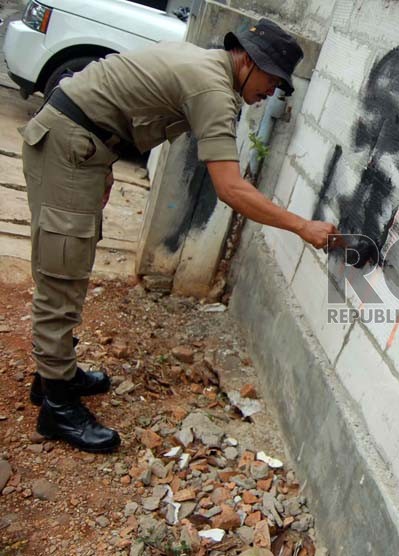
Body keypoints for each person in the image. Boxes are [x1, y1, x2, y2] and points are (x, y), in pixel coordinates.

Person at [19, 18, 339, 453]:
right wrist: (302, 226)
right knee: (62, 272)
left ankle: (53, 374)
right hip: (69, 145)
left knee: (73, 261)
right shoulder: (211, 88)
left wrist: (101, 158)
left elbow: (107, 91)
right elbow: (230, 188)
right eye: (271, 78)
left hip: (82, 146)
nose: (272, 91)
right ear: (246, 59)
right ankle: (55, 406)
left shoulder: (207, 65)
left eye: (281, 85)